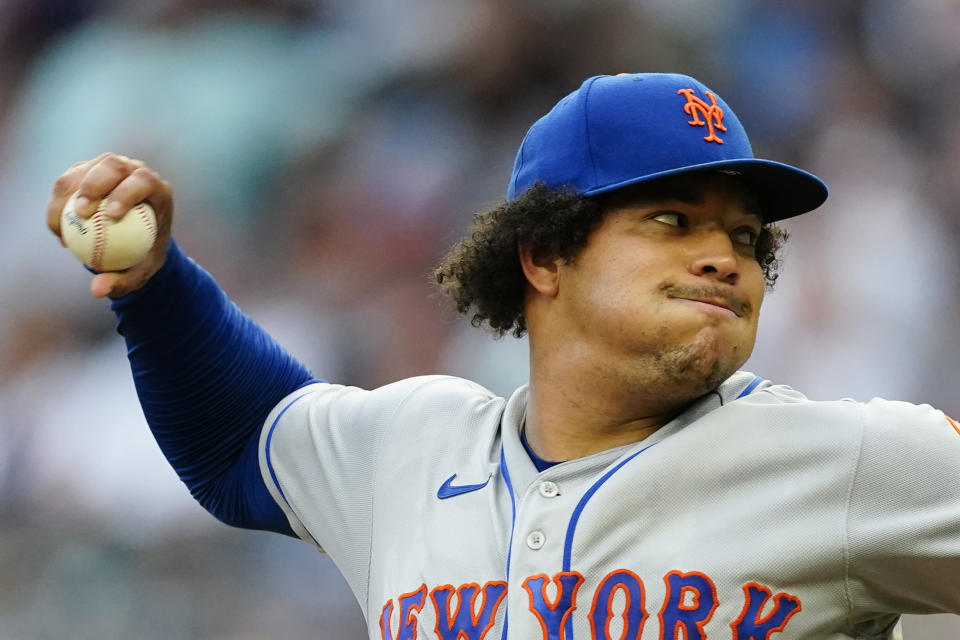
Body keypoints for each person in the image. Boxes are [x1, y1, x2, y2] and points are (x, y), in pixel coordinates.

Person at [47, 73, 960, 639]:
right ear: (545, 254)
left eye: (747, 236)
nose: (725, 257)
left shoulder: (855, 465)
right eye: (672, 222)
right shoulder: (414, 446)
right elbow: (241, 437)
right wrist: (154, 282)